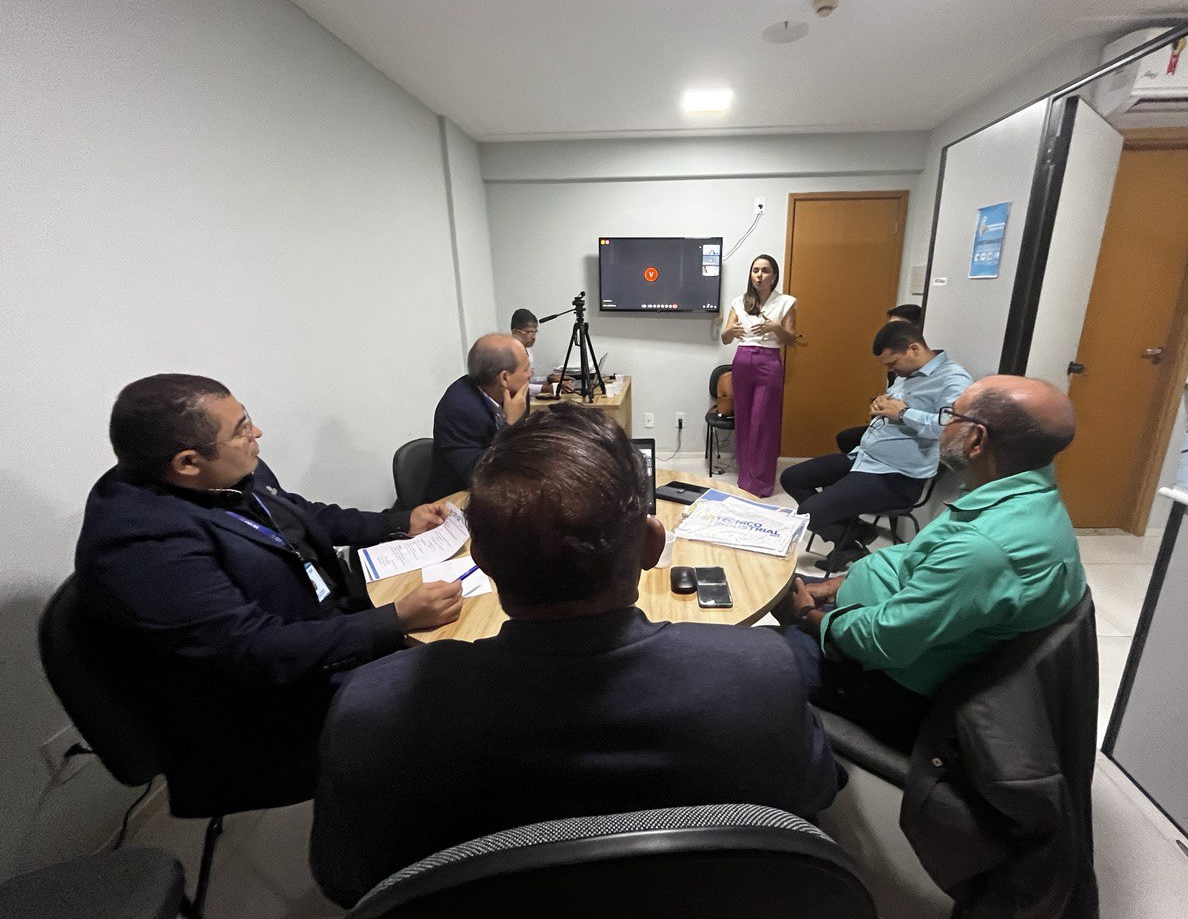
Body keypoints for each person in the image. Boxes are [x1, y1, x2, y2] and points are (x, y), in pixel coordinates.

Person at [310, 403, 841, 906]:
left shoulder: (375, 708)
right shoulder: (761, 671)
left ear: (482, 561)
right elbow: (813, 794)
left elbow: (347, 881)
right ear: (651, 545)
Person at [75, 374, 464, 813]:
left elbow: (300, 515)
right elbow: (254, 651)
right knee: (456, 696)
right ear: (187, 462)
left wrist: (397, 523)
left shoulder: (224, 473)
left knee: (467, 653)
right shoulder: (142, 545)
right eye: (241, 429)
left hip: (319, 630)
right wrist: (395, 620)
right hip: (266, 712)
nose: (256, 433)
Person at [775, 375, 1086, 746]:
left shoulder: (985, 549)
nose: (942, 424)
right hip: (881, 622)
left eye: (950, 415)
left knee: (737, 663)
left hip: (880, 680)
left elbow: (882, 641)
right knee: (774, 588)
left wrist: (807, 617)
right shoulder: (1017, 498)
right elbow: (914, 558)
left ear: (976, 440)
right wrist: (833, 585)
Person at [781, 322, 972, 572]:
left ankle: (849, 539)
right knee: (792, 478)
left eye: (893, 363)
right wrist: (882, 403)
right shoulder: (908, 373)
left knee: (809, 513)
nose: (891, 370)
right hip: (865, 457)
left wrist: (903, 413)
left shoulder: (952, 379)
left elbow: (954, 429)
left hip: (896, 475)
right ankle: (853, 538)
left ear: (914, 349)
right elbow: (896, 404)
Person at [720, 253, 797, 497]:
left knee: (763, 421)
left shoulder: (786, 302)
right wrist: (731, 331)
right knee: (743, 419)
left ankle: (761, 482)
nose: (759, 275)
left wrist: (776, 327)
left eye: (765, 270)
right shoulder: (739, 302)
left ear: (773, 276)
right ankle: (746, 478)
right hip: (742, 360)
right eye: (755, 270)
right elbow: (725, 338)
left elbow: (791, 340)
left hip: (769, 361)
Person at [424, 332, 532, 500]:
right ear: (504, 378)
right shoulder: (459, 408)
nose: (530, 374)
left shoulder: (516, 395)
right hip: (456, 503)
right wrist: (510, 424)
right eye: (526, 369)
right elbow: (480, 475)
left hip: (505, 489)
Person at [836, 303, 923, 454]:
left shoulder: (921, 367)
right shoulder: (896, 365)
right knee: (846, 438)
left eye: (898, 328)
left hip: (908, 432)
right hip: (888, 424)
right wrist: (882, 400)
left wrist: (902, 411)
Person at [510, 308, 571, 397]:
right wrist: (546, 388)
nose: (533, 337)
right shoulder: (509, 355)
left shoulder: (526, 350)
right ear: (515, 332)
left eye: (535, 332)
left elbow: (527, 380)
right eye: (529, 332)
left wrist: (548, 379)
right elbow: (515, 387)